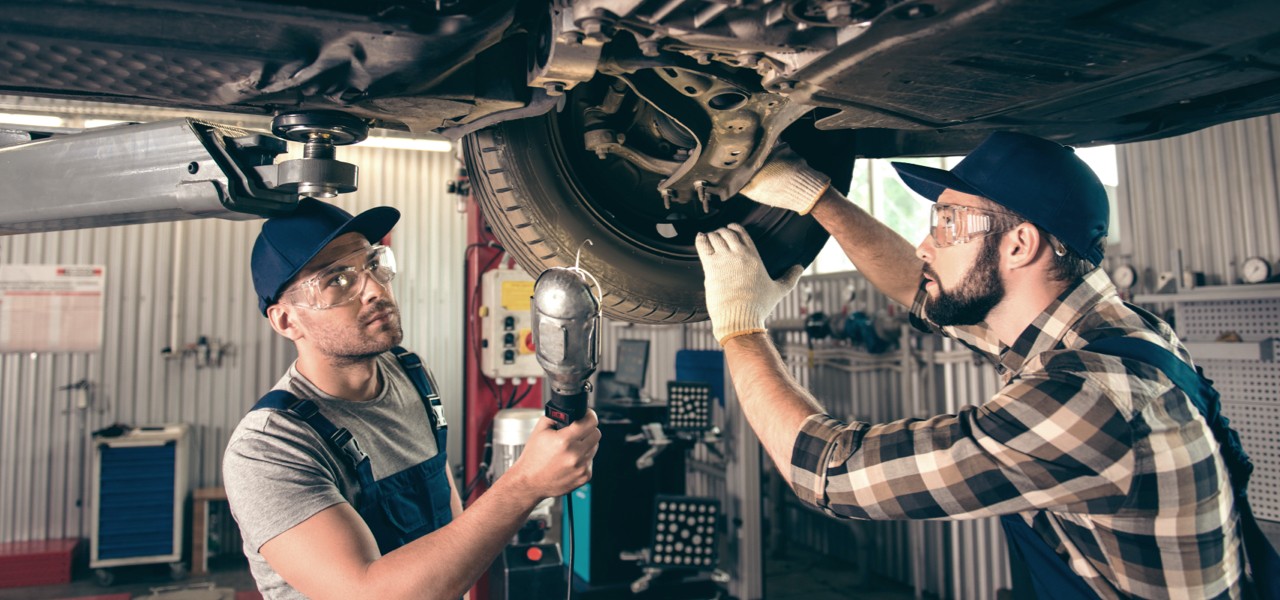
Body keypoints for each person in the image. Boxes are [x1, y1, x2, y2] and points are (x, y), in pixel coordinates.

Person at [695, 132, 1249, 598]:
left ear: (1019, 245)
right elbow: (921, 289)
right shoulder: (1108, 333)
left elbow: (829, 473)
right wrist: (817, 198)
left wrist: (740, 326)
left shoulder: (1089, 399)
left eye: (948, 223)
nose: (924, 245)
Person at [224, 198, 601, 600]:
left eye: (372, 264)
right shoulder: (268, 449)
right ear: (286, 320)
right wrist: (526, 484)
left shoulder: (411, 374)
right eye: (337, 279)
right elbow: (369, 593)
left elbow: (448, 517)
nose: (373, 288)